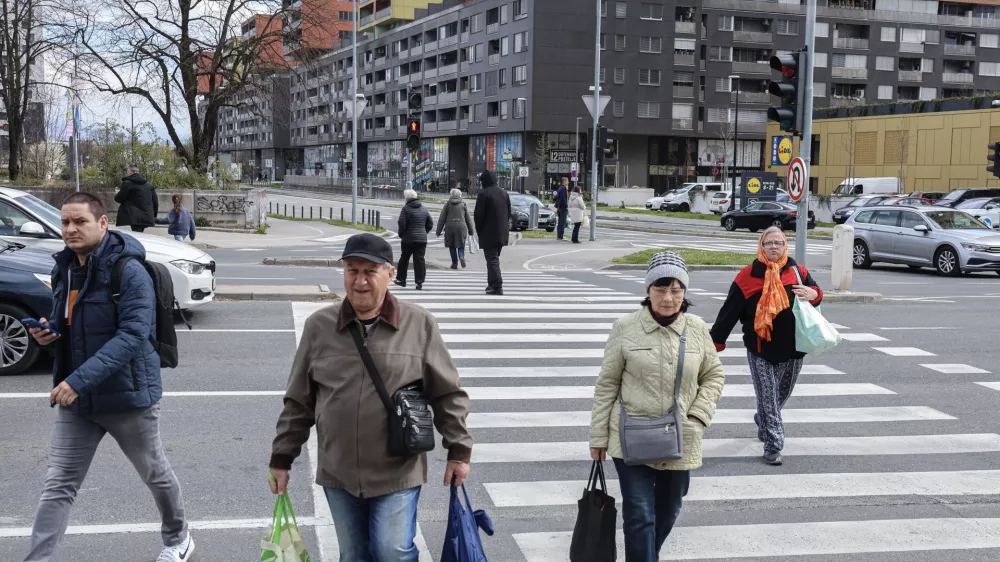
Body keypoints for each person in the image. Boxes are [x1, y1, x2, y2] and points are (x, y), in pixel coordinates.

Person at [268, 233, 473, 562]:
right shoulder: (319, 327)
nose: (360, 281)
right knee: (353, 555)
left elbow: (447, 393)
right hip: (339, 470)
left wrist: (459, 450)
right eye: (352, 271)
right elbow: (299, 401)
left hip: (397, 469)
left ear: (390, 275)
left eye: (370, 272)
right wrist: (281, 458)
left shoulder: (418, 324)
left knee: (392, 550)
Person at [24, 192, 193, 562]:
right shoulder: (64, 267)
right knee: (58, 486)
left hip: (127, 396)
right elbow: (65, 322)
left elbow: (133, 336)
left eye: (80, 221)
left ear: (103, 223)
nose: (70, 229)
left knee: (154, 473)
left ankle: (178, 537)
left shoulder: (129, 270)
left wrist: (75, 381)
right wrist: (48, 332)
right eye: (66, 222)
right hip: (78, 400)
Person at [590, 251, 725, 562]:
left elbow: (714, 374)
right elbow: (607, 384)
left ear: (685, 292)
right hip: (631, 437)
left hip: (681, 437)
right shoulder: (625, 327)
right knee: (639, 517)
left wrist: (697, 416)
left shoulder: (696, 328)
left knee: (668, 511)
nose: (668, 298)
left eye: (676, 290)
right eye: (661, 289)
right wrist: (597, 438)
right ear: (648, 290)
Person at [710, 226, 823, 466]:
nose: (774, 247)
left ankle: (763, 418)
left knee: (780, 395)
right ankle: (773, 446)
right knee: (768, 398)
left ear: (785, 246)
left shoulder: (797, 271)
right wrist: (716, 341)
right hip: (760, 349)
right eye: (768, 243)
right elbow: (729, 311)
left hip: (794, 349)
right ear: (761, 247)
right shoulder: (747, 276)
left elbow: (816, 293)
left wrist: (813, 294)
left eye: (778, 243)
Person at [473, 171, 511, 295]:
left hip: (488, 232)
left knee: (492, 259)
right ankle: (491, 284)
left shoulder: (484, 194)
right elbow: (509, 212)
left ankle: (497, 285)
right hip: (502, 232)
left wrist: (479, 231)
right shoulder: (504, 193)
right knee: (493, 258)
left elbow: (478, 216)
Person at [394, 189, 434, 290]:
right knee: (419, 260)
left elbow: (401, 224)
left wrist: (402, 234)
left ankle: (401, 280)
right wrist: (424, 232)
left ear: (407, 198)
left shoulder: (406, 209)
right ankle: (419, 282)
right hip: (421, 240)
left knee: (404, 258)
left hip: (408, 239)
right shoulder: (424, 209)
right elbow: (430, 223)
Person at [437, 188, 475, 269]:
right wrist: (471, 230)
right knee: (461, 244)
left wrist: (438, 231)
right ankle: (461, 256)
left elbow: (442, 219)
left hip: (450, 227)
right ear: (460, 195)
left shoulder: (447, 205)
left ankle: (454, 263)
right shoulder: (463, 205)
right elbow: (468, 219)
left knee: (452, 245)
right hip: (461, 227)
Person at [115, 165, 159, 233]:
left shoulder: (127, 183)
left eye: (127, 171)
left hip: (134, 217)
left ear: (129, 172)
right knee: (140, 234)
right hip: (147, 215)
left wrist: (117, 193)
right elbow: (155, 201)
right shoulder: (149, 185)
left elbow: (119, 198)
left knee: (138, 236)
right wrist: (153, 215)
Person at [555, 177, 570, 241]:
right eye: (567, 181)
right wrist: (566, 206)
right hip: (563, 208)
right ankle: (560, 236)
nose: (568, 182)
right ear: (564, 181)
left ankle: (559, 236)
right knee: (562, 223)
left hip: (560, 208)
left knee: (560, 222)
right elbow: (563, 199)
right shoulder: (563, 189)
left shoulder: (560, 188)